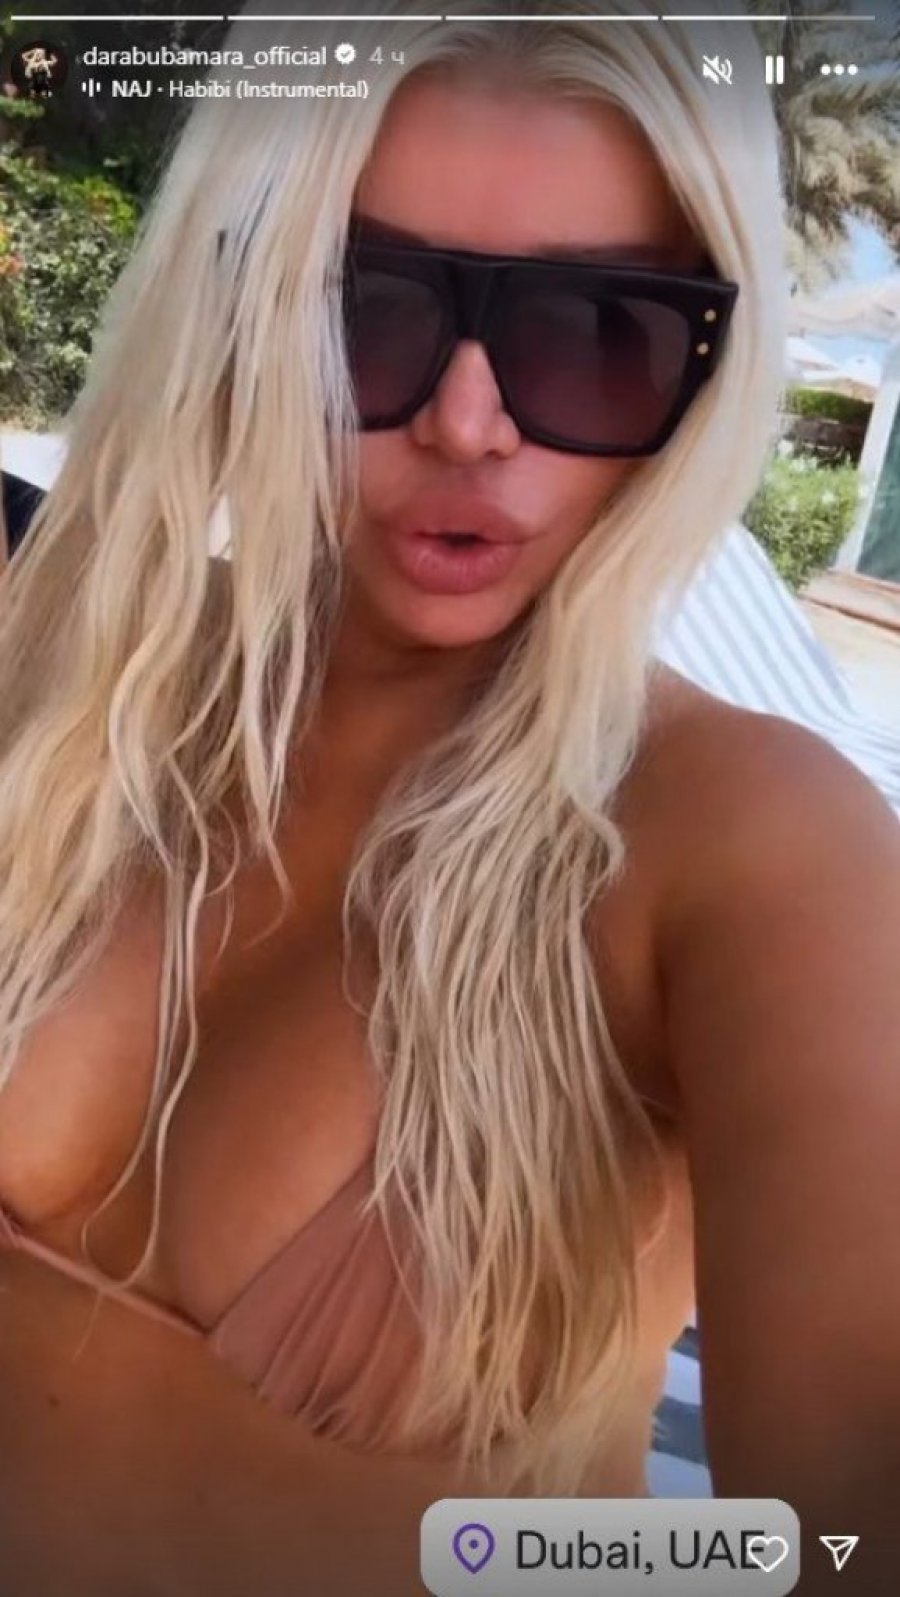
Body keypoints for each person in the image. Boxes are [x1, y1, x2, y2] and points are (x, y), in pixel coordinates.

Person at [0, 4, 898, 1594]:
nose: (470, 423)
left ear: (707, 365)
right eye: (368, 304)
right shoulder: (74, 684)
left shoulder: (751, 846)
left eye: (595, 331)